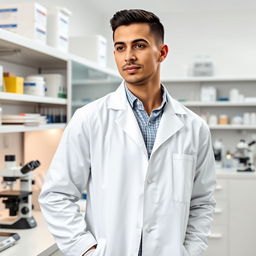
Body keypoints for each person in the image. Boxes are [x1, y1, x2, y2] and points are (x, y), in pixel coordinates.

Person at [39, 9, 216, 256]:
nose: (128, 56)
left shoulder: (195, 128)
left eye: (139, 45)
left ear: (162, 53)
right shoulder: (89, 118)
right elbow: (56, 195)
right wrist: (85, 250)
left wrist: (189, 251)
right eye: (120, 47)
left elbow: (202, 203)